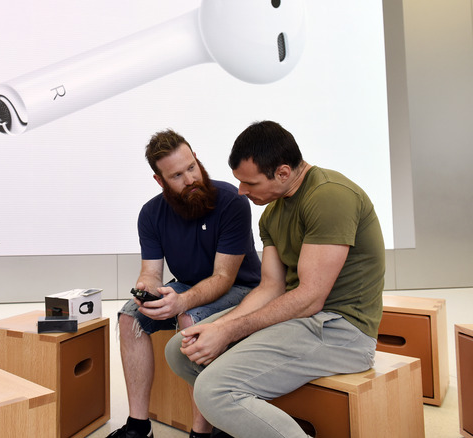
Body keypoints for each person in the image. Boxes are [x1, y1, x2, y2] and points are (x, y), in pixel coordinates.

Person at [165, 120, 386, 438]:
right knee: (181, 349)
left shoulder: (329, 196)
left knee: (213, 391)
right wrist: (217, 329)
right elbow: (271, 287)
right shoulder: (271, 214)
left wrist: (226, 331)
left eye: (249, 183)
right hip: (301, 320)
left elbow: (311, 297)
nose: (241, 191)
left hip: (341, 331)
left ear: (283, 172)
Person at [107, 129, 261, 438]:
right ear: (160, 181)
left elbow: (222, 278)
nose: (190, 178)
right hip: (189, 286)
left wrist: (180, 302)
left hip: (241, 290)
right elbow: (151, 273)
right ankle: (138, 427)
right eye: (177, 175)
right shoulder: (151, 214)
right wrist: (147, 290)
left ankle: (200, 433)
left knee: (189, 320)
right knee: (128, 318)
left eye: (192, 166)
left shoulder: (232, 202)